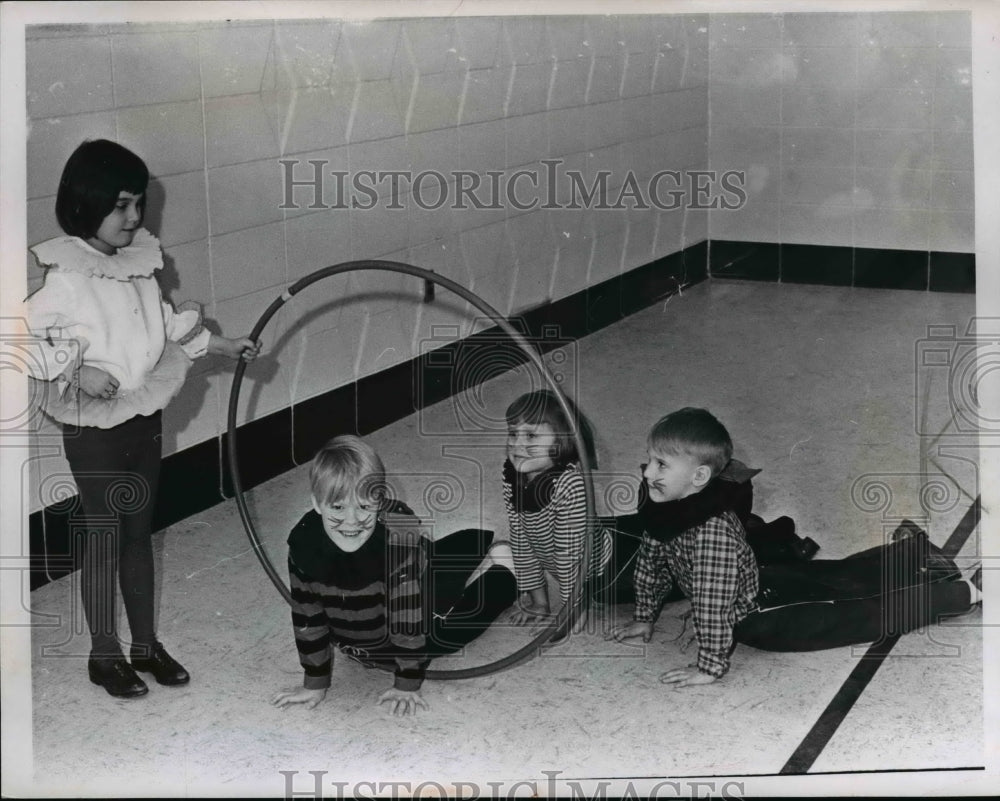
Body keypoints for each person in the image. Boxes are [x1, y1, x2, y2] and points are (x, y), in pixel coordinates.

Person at [25, 139, 261, 699]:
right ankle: (103, 654)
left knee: (138, 533)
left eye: (139, 204)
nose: (134, 218)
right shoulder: (66, 278)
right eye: (121, 206)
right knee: (104, 537)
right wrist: (74, 367)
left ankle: (146, 645)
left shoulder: (137, 266)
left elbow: (165, 326)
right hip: (94, 430)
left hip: (141, 418)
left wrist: (221, 345)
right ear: (85, 203)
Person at [608, 407, 982, 688]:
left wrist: (709, 665)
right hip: (761, 582)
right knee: (837, 577)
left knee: (860, 614)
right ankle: (917, 558)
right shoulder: (667, 513)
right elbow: (651, 565)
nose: (647, 472)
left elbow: (712, 605)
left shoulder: (710, 536)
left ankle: (966, 592)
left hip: (763, 618)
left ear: (699, 476)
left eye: (661, 464)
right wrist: (644, 616)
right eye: (650, 460)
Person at [271, 435, 517, 716]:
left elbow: (407, 622)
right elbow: (308, 620)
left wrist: (407, 683)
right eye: (338, 507)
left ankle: (505, 576)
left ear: (379, 501)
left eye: (364, 506)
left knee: (448, 631)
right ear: (317, 504)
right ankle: (470, 543)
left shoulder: (396, 550)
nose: (352, 520)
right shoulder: (304, 548)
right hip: (367, 629)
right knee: (428, 563)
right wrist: (314, 683)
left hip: (410, 607)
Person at [501, 390, 615, 631]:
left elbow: (569, 557)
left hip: (605, 569)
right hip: (568, 550)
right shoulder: (512, 477)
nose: (517, 444)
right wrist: (539, 602)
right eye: (513, 433)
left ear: (562, 440)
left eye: (531, 435)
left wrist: (571, 610)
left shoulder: (570, 484)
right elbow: (521, 540)